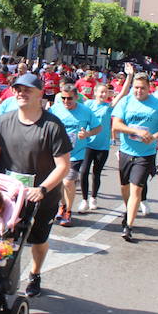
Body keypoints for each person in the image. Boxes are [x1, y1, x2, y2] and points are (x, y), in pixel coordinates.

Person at [0, 73, 72, 297]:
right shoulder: (3, 122)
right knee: (5, 239)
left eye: (27, 89)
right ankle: (2, 285)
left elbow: (63, 166)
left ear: (40, 93)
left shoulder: (52, 126)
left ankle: (35, 273)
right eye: (18, 89)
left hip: (42, 196)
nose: (21, 93)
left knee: (38, 241)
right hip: (10, 196)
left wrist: (42, 189)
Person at [111, 72, 158, 242]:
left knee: (136, 189)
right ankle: (128, 210)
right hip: (126, 151)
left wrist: (155, 136)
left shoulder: (157, 105)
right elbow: (116, 124)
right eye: (136, 88)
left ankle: (128, 226)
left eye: (143, 88)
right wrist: (136, 131)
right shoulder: (126, 101)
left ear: (149, 88)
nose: (139, 91)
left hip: (145, 154)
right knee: (124, 188)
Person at [78, 63, 133, 212]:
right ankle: (84, 199)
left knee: (96, 173)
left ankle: (93, 198)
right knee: (84, 172)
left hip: (102, 146)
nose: (103, 94)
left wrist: (129, 76)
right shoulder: (88, 104)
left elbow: (123, 93)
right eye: (100, 92)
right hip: (88, 143)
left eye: (105, 92)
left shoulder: (109, 106)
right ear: (95, 93)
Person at [49, 83, 101, 226]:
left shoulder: (85, 111)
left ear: (76, 97)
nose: (66, 102)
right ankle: (62, 205)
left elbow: (98, 127)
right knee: (59, 183)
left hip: (76, 154)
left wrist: (87, 134)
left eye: (70, 99)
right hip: (57, 153)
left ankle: (68, 211)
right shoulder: (55, 109)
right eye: (63, 98)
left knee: (68, 181)